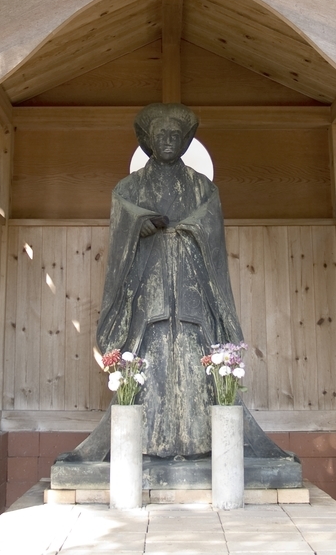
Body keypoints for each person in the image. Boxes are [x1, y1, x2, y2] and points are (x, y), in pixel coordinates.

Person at [98, 103, 242, 457]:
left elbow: (210, 226)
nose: (167, 140)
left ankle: (199, 441)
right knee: (147, 356)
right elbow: (122, 222)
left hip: (192, 285)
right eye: (160, 134)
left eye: (175, 135)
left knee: (197, 354)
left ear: (185, 141)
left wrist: (189, 228)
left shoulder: (203, 188)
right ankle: (147, 443)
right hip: (147, 287)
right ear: (148, 140)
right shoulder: (128, 188)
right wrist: (138, 225)